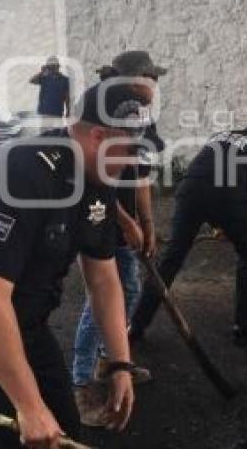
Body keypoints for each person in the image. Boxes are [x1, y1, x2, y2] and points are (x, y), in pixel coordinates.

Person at [0, 82, 145, 448]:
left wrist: (119, 363)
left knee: (65, 426)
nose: (134, 163)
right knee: (16, 436)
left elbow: (104, 280)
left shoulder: (98, 179)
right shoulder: (20, 173)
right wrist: (29, 406)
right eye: (131, 151)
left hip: (25, 324)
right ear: (99, 136)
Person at [130, 120, 247, 345]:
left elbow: (209, 175)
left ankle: (136, 326)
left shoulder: (221, 136)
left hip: (189, 190)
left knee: (171, 258)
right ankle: (244, 327)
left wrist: (219, 225)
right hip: (228, 196)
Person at [71, 51, 167, 426]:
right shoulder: (100, 104)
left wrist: (148, 222)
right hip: (97, 208)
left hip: (119, 211)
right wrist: (125, 220)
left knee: (125, 286)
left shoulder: (138, 113)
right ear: (136, 77)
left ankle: (110, 361)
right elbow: (93, 174)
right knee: (104, 288)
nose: (156, 86)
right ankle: (81, 379)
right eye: (151, 78)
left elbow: (139, 171)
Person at [30, 56, 70, 122]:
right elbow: (32, 81)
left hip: (57, 112)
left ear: (58, 66)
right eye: (51, 66)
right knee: (44, 131)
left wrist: (68, 111)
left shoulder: (65, 80)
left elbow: (67, 97)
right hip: (44, 112)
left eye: (54, 66)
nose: (53, 68)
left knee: (56, 131)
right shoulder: (44, 78)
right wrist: (41, 73)